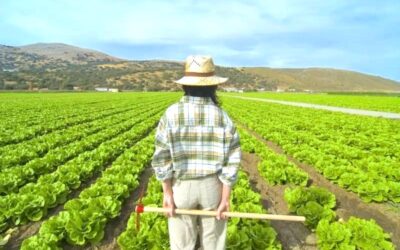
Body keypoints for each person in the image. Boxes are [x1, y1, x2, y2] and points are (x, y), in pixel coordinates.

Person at [151, 55, 241, 250]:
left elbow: (161, 157)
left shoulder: (171, 114)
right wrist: (225, 198)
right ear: (213, 86)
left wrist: (167, 192)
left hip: (182, 186)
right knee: (214, 244)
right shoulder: (223, 117)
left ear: (185, 85)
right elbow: (232, 161)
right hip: (212, 187)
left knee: (182, 245)